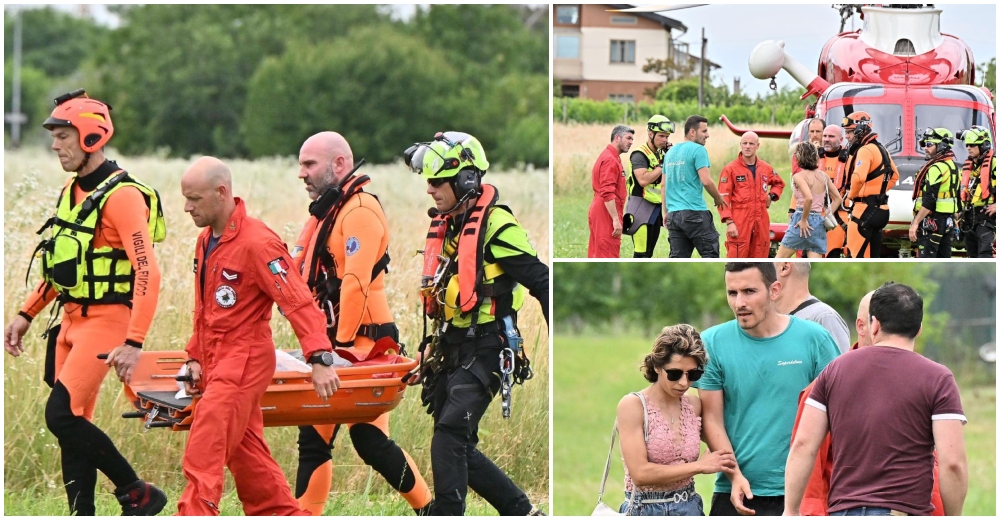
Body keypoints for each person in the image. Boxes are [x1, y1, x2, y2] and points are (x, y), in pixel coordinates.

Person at [4, 90, 168, 516]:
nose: (55, 145)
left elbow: (148, 271)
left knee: (59, 416)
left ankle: (139, 493)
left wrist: (134, 341)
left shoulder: (123, 196)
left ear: (91, 137)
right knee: (72, 427)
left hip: (108, 323)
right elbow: (64, 262)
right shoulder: (71, 190)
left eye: (62, 136)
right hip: (71, 323)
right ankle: (82, 513)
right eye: (54, 137)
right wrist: (26, 313)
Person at [177, 156, 339, 516]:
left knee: (206, 446)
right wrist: (194, 356)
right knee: (247, 455)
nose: (187, 207)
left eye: (194, 199)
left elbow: (297, 301)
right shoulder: (206, 241)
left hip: (244, 360)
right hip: (218, 360)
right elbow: (205, 311)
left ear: (222, 193)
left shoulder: (257, 242)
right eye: (185, 198)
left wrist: (319, 357)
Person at [403, 131, 549, 515]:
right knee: (460, 444)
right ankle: (522, 512)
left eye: (437, 182)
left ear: (466, 180)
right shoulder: (450, 225)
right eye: (428, 182)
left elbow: (544, 282)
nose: (430, 190)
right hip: (455, 347)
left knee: (449, 436)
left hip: (489, 346)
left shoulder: (498, 226)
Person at [290, 132, 432, 515]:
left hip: (364, 342)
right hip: (341, 341)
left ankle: (431, 510)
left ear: (339, 164)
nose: (301, 173)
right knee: (354, 440)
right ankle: (429, 510)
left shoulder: (359, 211)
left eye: (309, 165)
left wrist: (337, 349)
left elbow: (355, 284)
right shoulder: (330, 212)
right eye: (300, 164)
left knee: (332, 437)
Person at [785, 283, 968, 516]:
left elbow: (803, 446)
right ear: (919, 328)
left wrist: (790, 512)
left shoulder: (833, 371)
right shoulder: (939, 378)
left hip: (844, 511)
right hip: (901, 511)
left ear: (875, 324)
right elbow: (952, 463)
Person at [693, 262, 839, 516]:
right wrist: (735, 476)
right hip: (736, 491)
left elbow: (839, 417)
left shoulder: (816, 339)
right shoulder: (712, 343)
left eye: (749, 291)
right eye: (732, 293)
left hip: (806, 493)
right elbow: (712, 420)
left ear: (774, 290)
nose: (739, 303)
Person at [616, 324, 736, 516]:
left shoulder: (694, 406)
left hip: (690, 508)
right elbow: (640, 474)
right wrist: (699, 466)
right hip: (645, 509)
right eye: (674, 373)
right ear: (657, 366)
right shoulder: (634, 406)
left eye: (693, 374)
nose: (684, 383)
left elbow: (721, 431)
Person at [661, 115, 728, 258]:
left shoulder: (670, 153)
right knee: (710, 255)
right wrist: (717, 197)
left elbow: (663, 185)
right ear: (692, 132)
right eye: (704, 131)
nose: (707, 135)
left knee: (678, 259)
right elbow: (706, 181)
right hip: (694, 212)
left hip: (674, 215)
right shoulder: (698, 150)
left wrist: (665, 212)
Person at [840, 112, 899, 258]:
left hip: (863, 210)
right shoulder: (881, 148)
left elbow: (858, 178)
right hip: (882, 211)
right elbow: (895, 176)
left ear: (860, 130)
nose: (846, 136)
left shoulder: (864, 150)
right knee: (873, 255)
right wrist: (877, 191)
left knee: (855, 255)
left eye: (849, 132)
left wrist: (851, 196)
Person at [718, 131, 785, 258]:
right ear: (740, 145)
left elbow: (779, 183)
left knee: (760, 257)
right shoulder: (730, 169)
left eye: (751, 144)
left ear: (757, 146)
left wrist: (771, 196)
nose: (747, 146)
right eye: (745, 143)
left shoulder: (765, 168)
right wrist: (729, 222)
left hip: (761, 221)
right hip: (740, 221)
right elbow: (722, 197)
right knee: (738, 259)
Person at [777, 142, 841, 258]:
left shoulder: (799, 176)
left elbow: (809, 198)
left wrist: (804, 220)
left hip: (801, 218)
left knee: (778, 260)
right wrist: (828, 213)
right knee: (814, 263)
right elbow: (838, 199)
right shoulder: (823, 176)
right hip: (818, 222)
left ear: (799, 157)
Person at [773, 262, 850, 354]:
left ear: (784, 268)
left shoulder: (824, 317)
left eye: (766, 267)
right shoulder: (765, 321)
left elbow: (842, 367)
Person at [624, 116, 674, 258]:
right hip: (640, 207)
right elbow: (643, 180)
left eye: (667, 136)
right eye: (661, 136)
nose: (665, 140)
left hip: (655, 208)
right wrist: (663, 163)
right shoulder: (639, 154)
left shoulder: (660, 152)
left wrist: (673, 154)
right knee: (641, 254)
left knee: (649, 253)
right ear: (650, 134)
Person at [909, 128, 960, 258]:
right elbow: (957, 198)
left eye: (929, 145)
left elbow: (930, 200)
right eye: (925, 144)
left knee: (926, 256)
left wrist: (915, 223)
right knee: (944, 257)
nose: (925, 148)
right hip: (948, 221)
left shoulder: (935, 168)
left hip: (933, 220)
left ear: (941, 146)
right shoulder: (953, 166)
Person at [589, 125, 634, 258]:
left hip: (604, 208)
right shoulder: (610, 160)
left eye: (632, 139)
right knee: (607, 253)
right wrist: (615, 219)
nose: (631, 142)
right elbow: (607, 192)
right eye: (628, 138)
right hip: (606, 211)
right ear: (617, 138)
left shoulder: (612, 157)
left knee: (598, 253)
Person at [957, 126, 996, 257]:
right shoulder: (968, 166)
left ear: (984, 145)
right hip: (969, 217)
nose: (968, 148)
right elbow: (960, 190)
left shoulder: (994, 164)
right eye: (967, 144)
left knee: (984, 253)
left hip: (986, 216)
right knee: (971, 253)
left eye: (972, 145)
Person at [817, 126, 851, 257]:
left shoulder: (850, 159)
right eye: (824, 136)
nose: (826, 139)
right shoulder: (814, 158)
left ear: (841, 139)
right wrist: (792, 211)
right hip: (816, 214)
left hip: (839, 217)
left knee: (832, 254)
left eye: (831, 136)